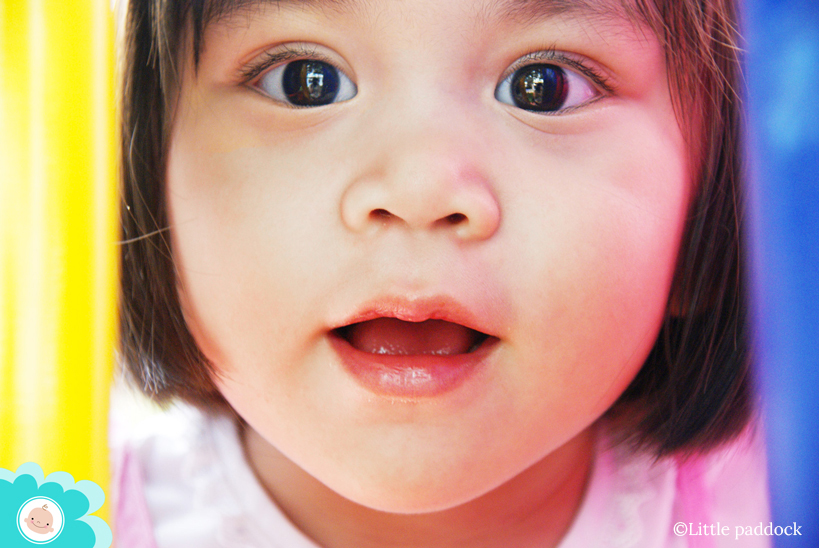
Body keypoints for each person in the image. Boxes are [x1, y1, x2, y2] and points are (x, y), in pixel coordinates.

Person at [114, 0, 770, 546]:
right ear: (144, 176)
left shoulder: (770, 511)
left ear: (718, 199)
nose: (419, 189)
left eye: (542, 86)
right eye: (303, 79)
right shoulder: (57, 513)